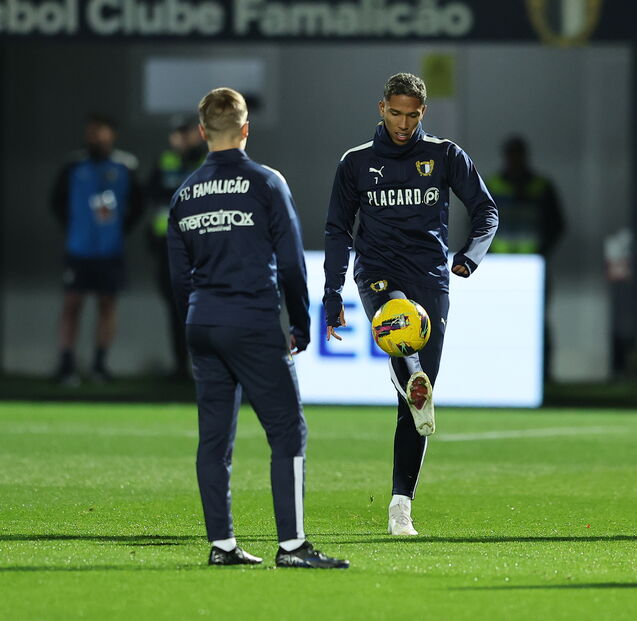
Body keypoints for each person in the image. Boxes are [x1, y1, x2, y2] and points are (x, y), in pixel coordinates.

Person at [167, 87, 348, 569]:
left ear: (203, 133)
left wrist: (195, 322)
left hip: (201, 323)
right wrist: (302, 323)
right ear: (246, 129)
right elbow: (290, 263)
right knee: (287, 430)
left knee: (214, 440)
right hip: (250, 321)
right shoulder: (266, 183)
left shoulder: (185, 194)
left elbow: (178, 277)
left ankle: (222, 545)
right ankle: (291, 546)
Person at [323, 73, 498, 536]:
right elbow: (338, 229)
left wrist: (469, 258)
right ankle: (407, 370)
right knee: (399, 320)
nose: (403, 123)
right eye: (396, 113)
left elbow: (486, 211)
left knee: (415, 407)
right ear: (381, 108)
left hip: (431, 277)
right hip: (378, 272)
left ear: (424, 112)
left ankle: (401, 505)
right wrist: (331, 292)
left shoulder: (444, 155)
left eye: (413, 115)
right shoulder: (356, 163)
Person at [51, 113, 144, 385]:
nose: (95, 137)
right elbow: (56, 202)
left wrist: (117, 230)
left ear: (111, 134)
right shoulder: (72, 165)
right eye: (91, 132)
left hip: (110, 250)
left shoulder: (126, 166)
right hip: (78, 249)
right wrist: (74, 228)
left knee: (107, 304)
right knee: (72, 304)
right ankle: (67, 364)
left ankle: (99, 365)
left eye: (100, 132)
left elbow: (137, 205)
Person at [486, 135, 565, 379]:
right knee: (501, 320)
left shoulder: (541, 187)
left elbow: (557, 225)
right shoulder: (493, 185)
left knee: (537, 321)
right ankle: (502, 373)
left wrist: (542, 252)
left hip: (533, 266)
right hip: (500, 266)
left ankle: (543, 375)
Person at [147, 115, 206, 379]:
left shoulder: (206, 161)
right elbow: (148, 195)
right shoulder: (165, 161)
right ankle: (181, 365)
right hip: (168, 247)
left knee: (204, 306)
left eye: (186, 132)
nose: (180, 138)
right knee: (175, 307)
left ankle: (203, 363)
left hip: (200, 246)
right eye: (177, 133)